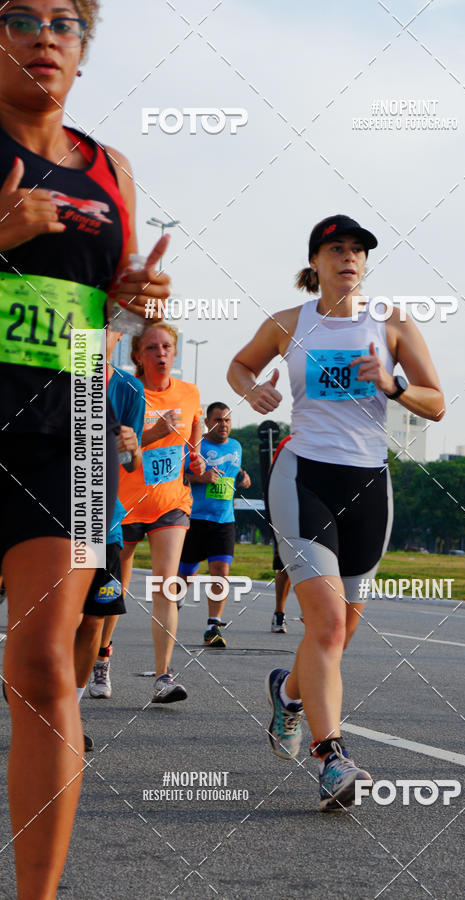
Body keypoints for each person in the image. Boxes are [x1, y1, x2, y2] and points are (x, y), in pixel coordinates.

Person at [0, 1, 171, 894]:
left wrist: (139, 296)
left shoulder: (112, 170)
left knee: (38, 664)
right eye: (19, 15)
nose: (44, 34)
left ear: (83, 47)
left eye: (65, 21)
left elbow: (116, 313)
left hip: (61, 436)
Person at [228, 214, 445, 811]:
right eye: (336, 249)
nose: (348, 258)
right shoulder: (287, 323)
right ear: (316, 262)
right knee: (323, 625)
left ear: (366, 264)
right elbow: (238, 366)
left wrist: (394, 386)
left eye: (358, 251)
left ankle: (288, 693)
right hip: (304, 476)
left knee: (340, 634)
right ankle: (332, 757)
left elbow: (437, 404)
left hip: (369, 482)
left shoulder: (392, 325)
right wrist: (254, 392)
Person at [119, 322, 205, 701]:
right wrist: (154, 434)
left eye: (167, 346)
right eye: (152, 348)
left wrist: (196, 457)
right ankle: (102, 658)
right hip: (123, 504)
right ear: (137, 355)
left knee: (165, 586)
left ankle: (163, 676)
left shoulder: (189, 392)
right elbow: (116, 448)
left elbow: (195, 426)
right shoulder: (125, 390)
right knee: (112, 592)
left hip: (171, 503)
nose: (161, 353)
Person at [74, 331, 145, 721]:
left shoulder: (129, 388)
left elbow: (132, 464)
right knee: (57, 619)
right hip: (53, 519)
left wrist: (133, 448)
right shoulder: (53, 376)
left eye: (110, 325)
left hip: (105, 521)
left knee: (93, 619)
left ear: (119, 334)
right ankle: (35, 689)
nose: (102, 333)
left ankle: (68, 712)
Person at [178, 402, 251, 647]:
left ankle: (213, 625)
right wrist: (201, 478)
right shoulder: (196, 447)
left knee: (221, 571)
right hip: (195, 519)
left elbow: (233, 467)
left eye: (228, 420)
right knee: (186, 572)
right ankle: (175, 599)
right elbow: (178, 476)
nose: (224, 425)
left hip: (224, 521)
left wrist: (242, 476)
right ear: (208, 422)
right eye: (218, 420)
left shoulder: (236, 445)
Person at [269, 435, 292, 633]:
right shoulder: (289, 443)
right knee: (287, 566)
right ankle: (279, 613)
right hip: (287, 510)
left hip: (317, 512)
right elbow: (273, 474)